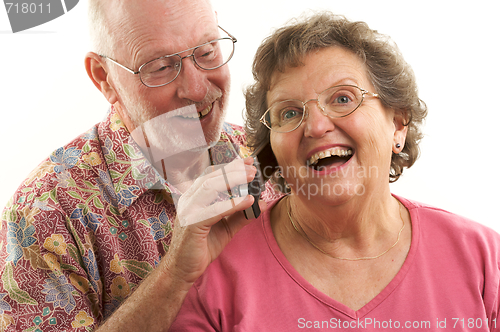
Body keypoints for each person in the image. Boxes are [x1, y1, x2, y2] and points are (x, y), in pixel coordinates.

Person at [170, 12, 500, 331]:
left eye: (343, 98)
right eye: (289, 113)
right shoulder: (214, 277)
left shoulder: (483, 257)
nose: (315, 126)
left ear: (398, 126)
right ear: (272, 149)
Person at [0, 0, 271, 331]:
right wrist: (174, 276)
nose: (197, 89)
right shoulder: (43, 213)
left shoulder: (268, 154)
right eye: (160, 67)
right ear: (105, 78)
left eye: (207, 50)